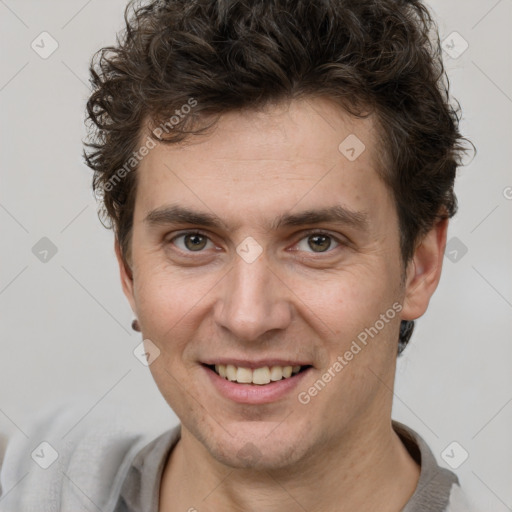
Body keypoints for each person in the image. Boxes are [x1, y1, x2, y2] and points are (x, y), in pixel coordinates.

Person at [0, 0, 476, 510]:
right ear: (128, 269)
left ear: (420, 266)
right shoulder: (34, 482)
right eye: (193, 241)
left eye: (318, 241)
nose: (248, 318)